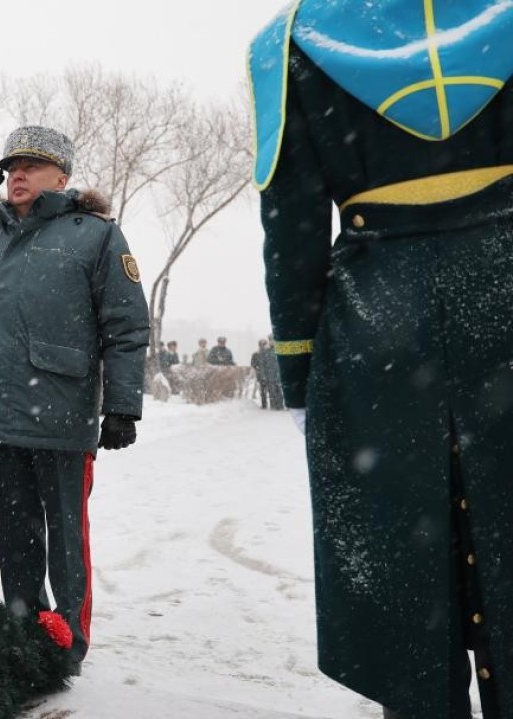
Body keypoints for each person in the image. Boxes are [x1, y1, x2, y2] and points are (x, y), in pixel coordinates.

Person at [249, 1, 513, 715]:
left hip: (378, 329)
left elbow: (294, 227)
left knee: (405, 590)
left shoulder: (293, 40)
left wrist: (300, 374)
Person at [0, 126, 149, 671]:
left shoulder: (95, 235)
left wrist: (123, 405)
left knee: (64, 537)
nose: (18, 174)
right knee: (14, 535)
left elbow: (127, 325)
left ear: (62, 177)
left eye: (33, 166)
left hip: (62, 413)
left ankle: (68, 641)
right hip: (0, 410)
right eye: (13, 165)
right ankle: (23, 626)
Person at [249, 339, 274, 409]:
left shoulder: (267, 353)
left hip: (266, 374)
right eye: (261, 345)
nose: (262, 346)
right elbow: (253, 364)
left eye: (264, 344)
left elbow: (253, 364)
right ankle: (266, 404)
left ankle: (268, 404)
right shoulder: (256, 354)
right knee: (265, 390)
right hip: (264, 374)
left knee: (266, 390)